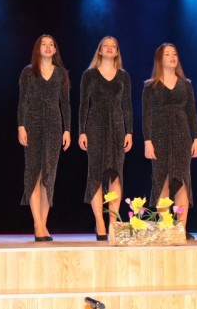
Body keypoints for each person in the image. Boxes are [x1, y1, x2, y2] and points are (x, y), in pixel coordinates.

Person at [142, 43, 197, 240]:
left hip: (182, 136)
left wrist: (196, 138)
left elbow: (192, 113)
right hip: (159, 137)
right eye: (167, 54)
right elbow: (146, 116)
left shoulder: (186, 84)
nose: (172, 57)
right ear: (160, 59)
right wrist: (148, 141)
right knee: (162, 181)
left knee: (182, 180)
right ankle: (167, 228)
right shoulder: (150, 86)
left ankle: (181, 229)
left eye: (174, 54)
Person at [78, 36, 133, 241]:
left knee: (116, 174)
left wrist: (129, 132)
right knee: (96, 174)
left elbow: (127, 106)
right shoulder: (89, 75)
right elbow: (83, 105)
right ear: (99, 51)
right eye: (105, 46)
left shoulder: (123, 76)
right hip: (95, 125)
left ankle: (113, 222)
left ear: (117, 51)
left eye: (113, 46)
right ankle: (99, 222)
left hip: (117, 126)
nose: (109, 48)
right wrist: (82, 131)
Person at [17, 34, 71, 242]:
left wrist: (67, 130)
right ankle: (38, 224)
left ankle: (43, 224)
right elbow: (22, 101)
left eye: (51, 45)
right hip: (32, 124)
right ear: (37, 49)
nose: (48, 47)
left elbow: (65, 103)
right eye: (44, 44)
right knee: (34, 173)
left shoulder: (61, 74)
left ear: (55, 50)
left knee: (49, 174)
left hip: (54, 126)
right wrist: (21, 126)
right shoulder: (28, 72)